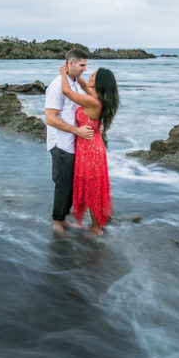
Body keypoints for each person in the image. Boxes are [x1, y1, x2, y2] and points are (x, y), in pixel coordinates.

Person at [59, 64, 119, 236]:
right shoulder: (99, 98)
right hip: (92, 145)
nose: (90, 77)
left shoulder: (93, 101)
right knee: (94, 187)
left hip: (90, 149)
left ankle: (96, 228)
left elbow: (67, 92)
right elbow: (84, 86)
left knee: (92, 188)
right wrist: (76, 75)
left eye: (93, 75)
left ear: (99, 81)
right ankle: (97, 224)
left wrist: (63, 74)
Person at [45, 49, 94, 234]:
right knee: (62, 182)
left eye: (86, 65)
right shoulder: (57, 85)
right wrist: (77, 130)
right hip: (61, 143)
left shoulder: (72, 83)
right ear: (70, 63)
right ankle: (57, 222)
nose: (84, 69)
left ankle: (63, 219)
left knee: (71, 182)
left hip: (73, 142)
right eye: (82, 65)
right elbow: (50, 118)